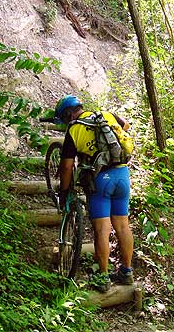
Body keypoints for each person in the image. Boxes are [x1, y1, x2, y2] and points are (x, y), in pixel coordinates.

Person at [54, 94, 134, 293]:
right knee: (123, 226)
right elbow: (126, 126)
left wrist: (64, 191)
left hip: (100, 180)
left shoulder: (74, 129)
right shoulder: (105, 114)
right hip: (122, 174)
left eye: (64, 119)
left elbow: (66, 166)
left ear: (68, 114)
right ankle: (126, 272)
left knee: (102, 230)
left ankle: (103, 277)